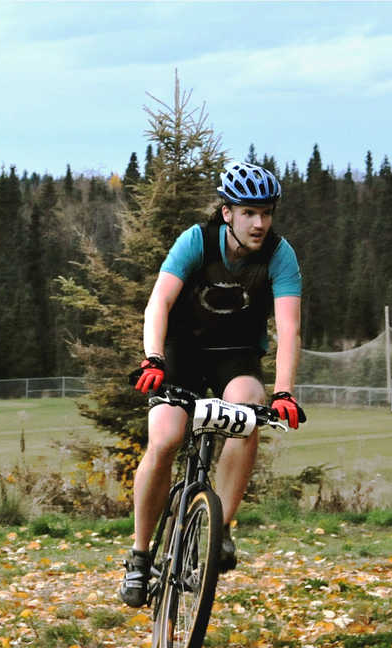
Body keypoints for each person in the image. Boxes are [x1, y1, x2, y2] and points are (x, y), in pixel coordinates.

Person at [120, 160, 305, 608]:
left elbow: (289, 329)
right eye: (248, 213)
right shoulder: (196, 242)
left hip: (235, 356)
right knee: (164, 439)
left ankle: (219, 527)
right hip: (181, 353)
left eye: (266, 212)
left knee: (247, 411)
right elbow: (158, 303)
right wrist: (154, 358)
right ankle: (140, 556)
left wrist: (283, 392)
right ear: (227, 213)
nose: (259, 222)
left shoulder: (280, 255)